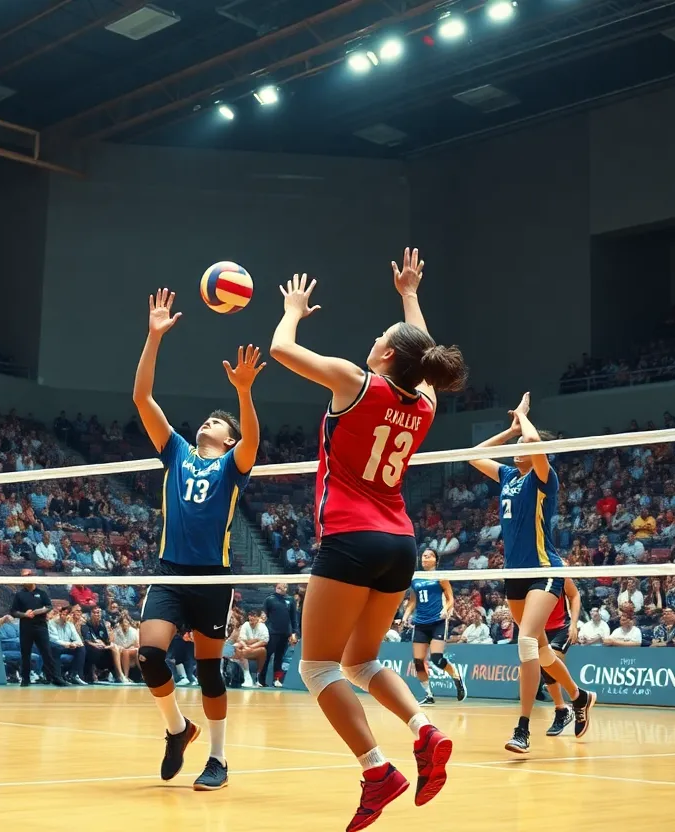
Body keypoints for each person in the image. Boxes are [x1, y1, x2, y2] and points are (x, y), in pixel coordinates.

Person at [269, 250, 461, 830]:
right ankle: (424, 728)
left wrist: (292, 309)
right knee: (362, 660)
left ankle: (377, 770)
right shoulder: (424, 405)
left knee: (317, 667)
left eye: (381, 336)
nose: (374, 339)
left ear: (386, 355)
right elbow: (422, 357)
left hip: (352, 537)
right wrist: (409, 295)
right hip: (400, 541)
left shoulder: (355, 381)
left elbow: (280, 349)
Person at [132, 287, 264, 792]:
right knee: (149, 656)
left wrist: (244, 392)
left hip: (212, 577)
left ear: (228, 439)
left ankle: (218, 759)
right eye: (206, 419)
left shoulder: (233, 464)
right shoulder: (176, 452)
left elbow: (252, 441)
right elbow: (143, 398)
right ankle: (177, 729)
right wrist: (154, 337)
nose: (207, 422)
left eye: (217, 423)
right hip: (170, 570)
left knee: (210, 671)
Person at [468, 392, 595, 754]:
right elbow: (472, 455)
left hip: (544, 569)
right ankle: (579, 696)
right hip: (515, 573)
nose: (518, 448)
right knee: (540, 650)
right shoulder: (508, 474)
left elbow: (535, 440)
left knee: (525, 642)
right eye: (517, 444)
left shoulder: (544, 478)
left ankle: (522, 728)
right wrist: (511, 431)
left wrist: (524, 415)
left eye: (523, 444)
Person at [404, 549, 467, 706]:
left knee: (437, 659)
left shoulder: (440, 576)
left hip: (437, 621)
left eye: (429, 556)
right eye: (424, 556)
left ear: (436, 560)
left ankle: (456, 676)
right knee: (418, 662)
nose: (425, 558)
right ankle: (429, 695)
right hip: (420, 623)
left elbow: (450, 598)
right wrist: (406, 615)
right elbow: (413, 601)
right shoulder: (416, 578)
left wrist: (445, 609)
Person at [537, 577, 581, 737]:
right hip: (540, 630)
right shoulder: (529, 574)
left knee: (549, 659)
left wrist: (574, 624)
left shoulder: (558, 571)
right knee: (546, 668)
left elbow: (574, 595)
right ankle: (563, 709)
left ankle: (575, 700)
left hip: (562, 627)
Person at [10, 577, 67, 687]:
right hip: (26, 627)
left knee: (47, 652)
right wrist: (24, 614)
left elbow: (49, 606)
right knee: (25, 654)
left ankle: (55, 677)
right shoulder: (19, 594)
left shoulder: (42, 593)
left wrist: (39, 611)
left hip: (41, 627)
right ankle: (25, 679)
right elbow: (13, 612)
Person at [260, 582, 298, 688]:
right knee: (267, 656)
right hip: (272, 633)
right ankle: (261, 680)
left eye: (285, 586)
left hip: (285, 633)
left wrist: (294, 632)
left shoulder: (290, 600)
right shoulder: (270, 599)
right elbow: (264, 615)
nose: (283, 588)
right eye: (281, 586)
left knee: (280, 657)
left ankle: (277, 679)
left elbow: (293, 618)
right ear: (276, 586)